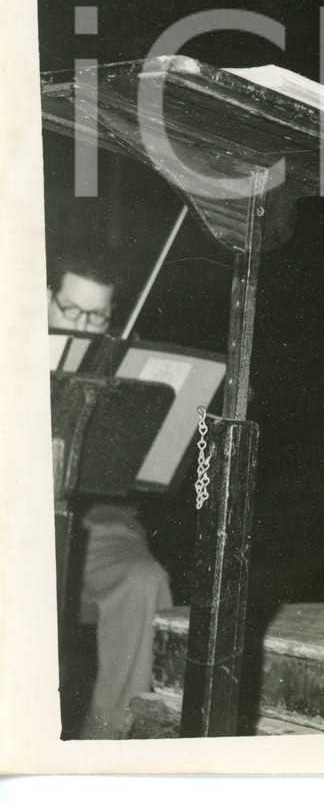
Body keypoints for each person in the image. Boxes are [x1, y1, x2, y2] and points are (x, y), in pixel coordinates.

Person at [48, 248, 174, 738]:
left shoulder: (128, 359)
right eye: (71, 310)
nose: (83, 324)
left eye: (97, 316)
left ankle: (110, 741)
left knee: (144, 579)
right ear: (46, 298)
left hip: (96, 522)